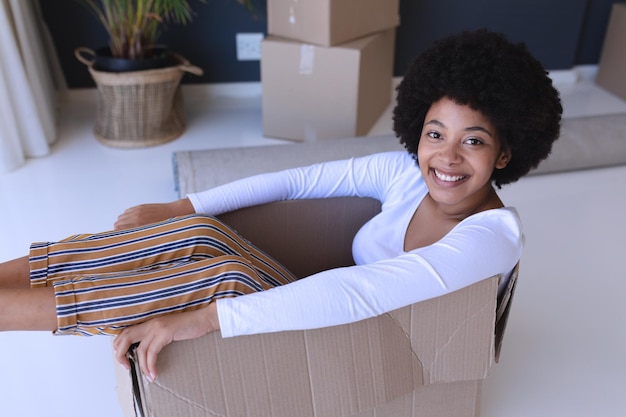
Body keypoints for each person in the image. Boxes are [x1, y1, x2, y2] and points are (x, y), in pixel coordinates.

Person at [0, 29, 562, 383]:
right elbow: (298, 181)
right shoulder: (405, 175)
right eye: (435, 133)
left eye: (475, 140)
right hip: (325, 311)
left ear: (507, 151)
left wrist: (202, 318)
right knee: (202, 234)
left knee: (221, 275)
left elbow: (361, 290)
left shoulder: (493, 236)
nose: (447, 156)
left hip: (374, 346)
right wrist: (183, 205)